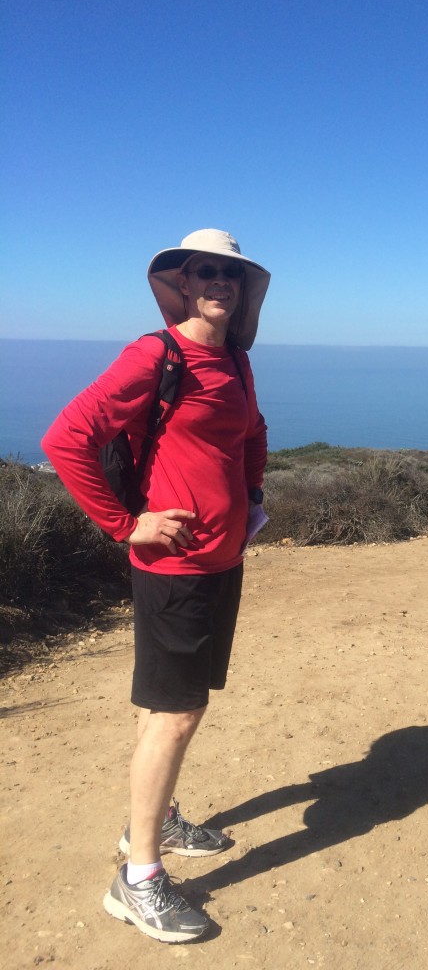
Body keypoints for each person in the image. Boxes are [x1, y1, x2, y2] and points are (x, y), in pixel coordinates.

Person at [42, 229, 270, 943]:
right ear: (180, 282)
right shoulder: (156, 354)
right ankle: (137, 877)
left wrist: (252, 496)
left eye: (230, 273)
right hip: (173, 569)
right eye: (204, 271)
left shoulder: (233, 356)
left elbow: (252, 429)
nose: (219, 283)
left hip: (220, 560)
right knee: (175, 713)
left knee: (170, 705)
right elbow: (65, 438)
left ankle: (158, 817)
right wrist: (124, 523)